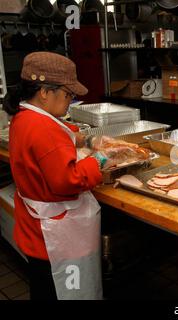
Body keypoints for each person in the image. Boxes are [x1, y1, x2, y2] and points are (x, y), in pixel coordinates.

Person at [3, 52, 111, 300]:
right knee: (62, 290)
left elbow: (61, 132)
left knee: (43, 288)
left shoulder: (23, 116)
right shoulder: (42, 128)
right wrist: (101, 159)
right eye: (68, 95)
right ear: (44, 92)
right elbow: (67, 180)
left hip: (34, 228)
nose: (70, 101)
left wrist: (90, 139)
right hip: (54, 236)